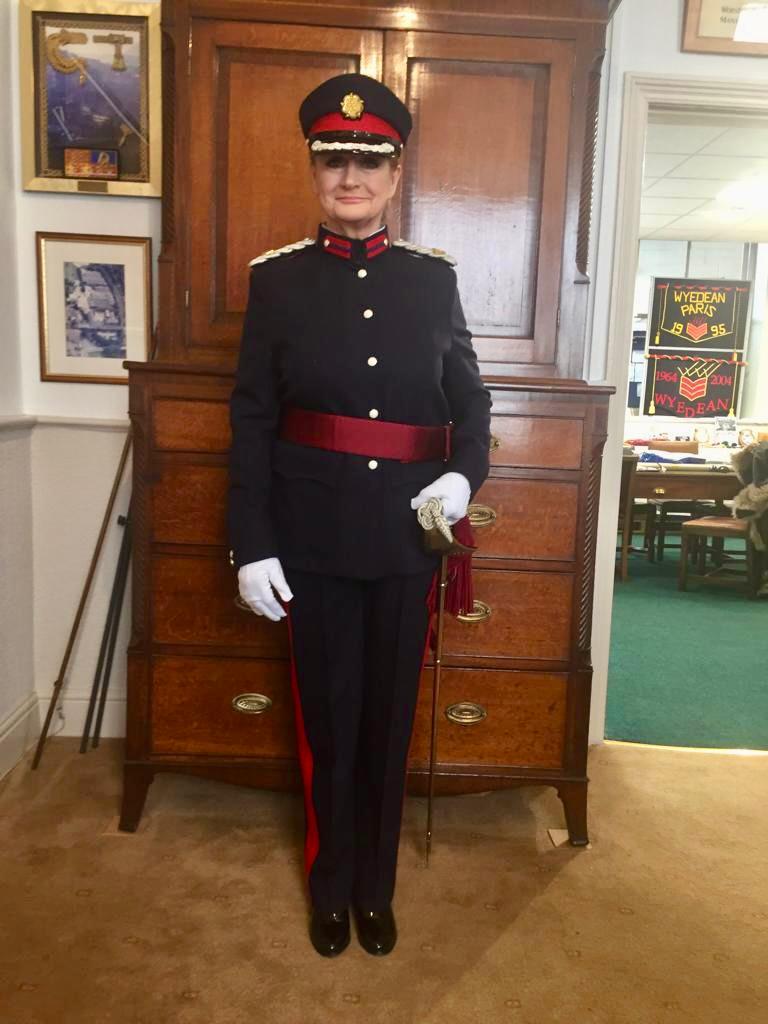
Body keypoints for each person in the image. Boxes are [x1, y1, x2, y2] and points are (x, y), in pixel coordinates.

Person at [227, 73, 492, 958]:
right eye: (334, 160)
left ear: (394, 173)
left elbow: (472, 402)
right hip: (309, 543)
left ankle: (375, 890)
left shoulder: (432, 281)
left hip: (405, 542)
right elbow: (253, 420)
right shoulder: (277, 282)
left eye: (368, 161)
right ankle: (330, 884)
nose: (351, 177)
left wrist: (463, 478)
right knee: (327, 723)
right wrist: (251, 544)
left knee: (386, 724)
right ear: (314, 171)